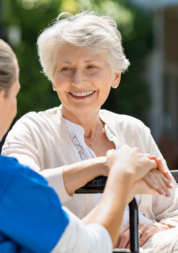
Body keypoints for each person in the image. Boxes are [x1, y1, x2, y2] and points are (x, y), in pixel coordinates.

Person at [2, 12, 178, 251]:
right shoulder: (31, 129)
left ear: (115, 76)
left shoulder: (133, 129)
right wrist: (108, 166)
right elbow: (21, 193)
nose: (78, 80)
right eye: (65, 68)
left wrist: (160, 229)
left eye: (91, 67)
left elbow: (172, 209)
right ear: (53, 79)